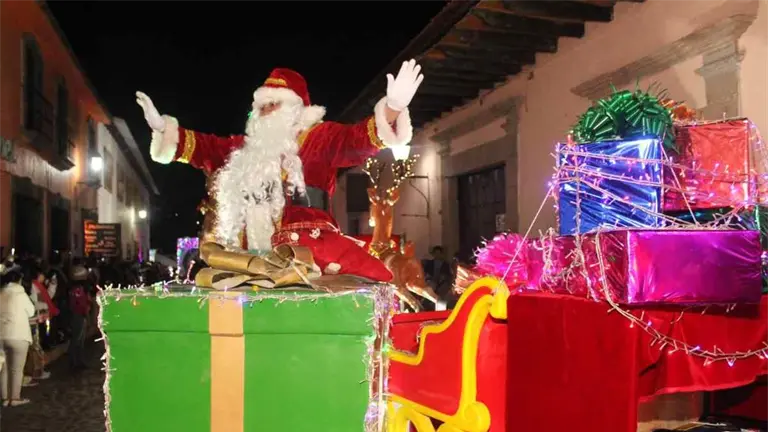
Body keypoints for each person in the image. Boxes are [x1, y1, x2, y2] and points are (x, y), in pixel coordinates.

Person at [136, 60, 425, 282]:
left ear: (294, 109)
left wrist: (392, 110)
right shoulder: (244, 148)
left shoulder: (319, 137)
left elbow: (357, 140)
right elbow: (205, 149)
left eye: (273, 104)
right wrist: (165, 131)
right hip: (247, 258)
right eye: (262, 105)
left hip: (308, 252)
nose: (265, 111)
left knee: (372, 279)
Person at [0, 258, 36, 406]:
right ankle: (14, 398)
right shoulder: (21, 294)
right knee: (16, 369)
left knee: (4, 368)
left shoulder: (1, 293)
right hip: (19, 335)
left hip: (1, 334)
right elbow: (31, 311)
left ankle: (4, 398)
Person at [67, 265, 92, 371]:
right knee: (77, 340)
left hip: (76, 315)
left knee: (79, 340)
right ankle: (75, 362)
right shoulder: (79, 290)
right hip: (79, 316)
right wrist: (87, 316)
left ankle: (77, 361)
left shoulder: (74, 289)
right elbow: (82, 305)